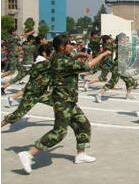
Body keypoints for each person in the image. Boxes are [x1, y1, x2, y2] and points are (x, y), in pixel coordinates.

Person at [16, 35, 112, 174]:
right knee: (59, 132)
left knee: (83, 124)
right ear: (62, 47)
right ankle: (29, 154)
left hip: (69, 101)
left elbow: (69, 62)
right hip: (63, 101)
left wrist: (76, 55)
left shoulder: (60, 57)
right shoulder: (61, 60)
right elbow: (86, 66)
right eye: (69, 44)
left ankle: (81, 154)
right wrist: (103, 54)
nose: (72, 46)